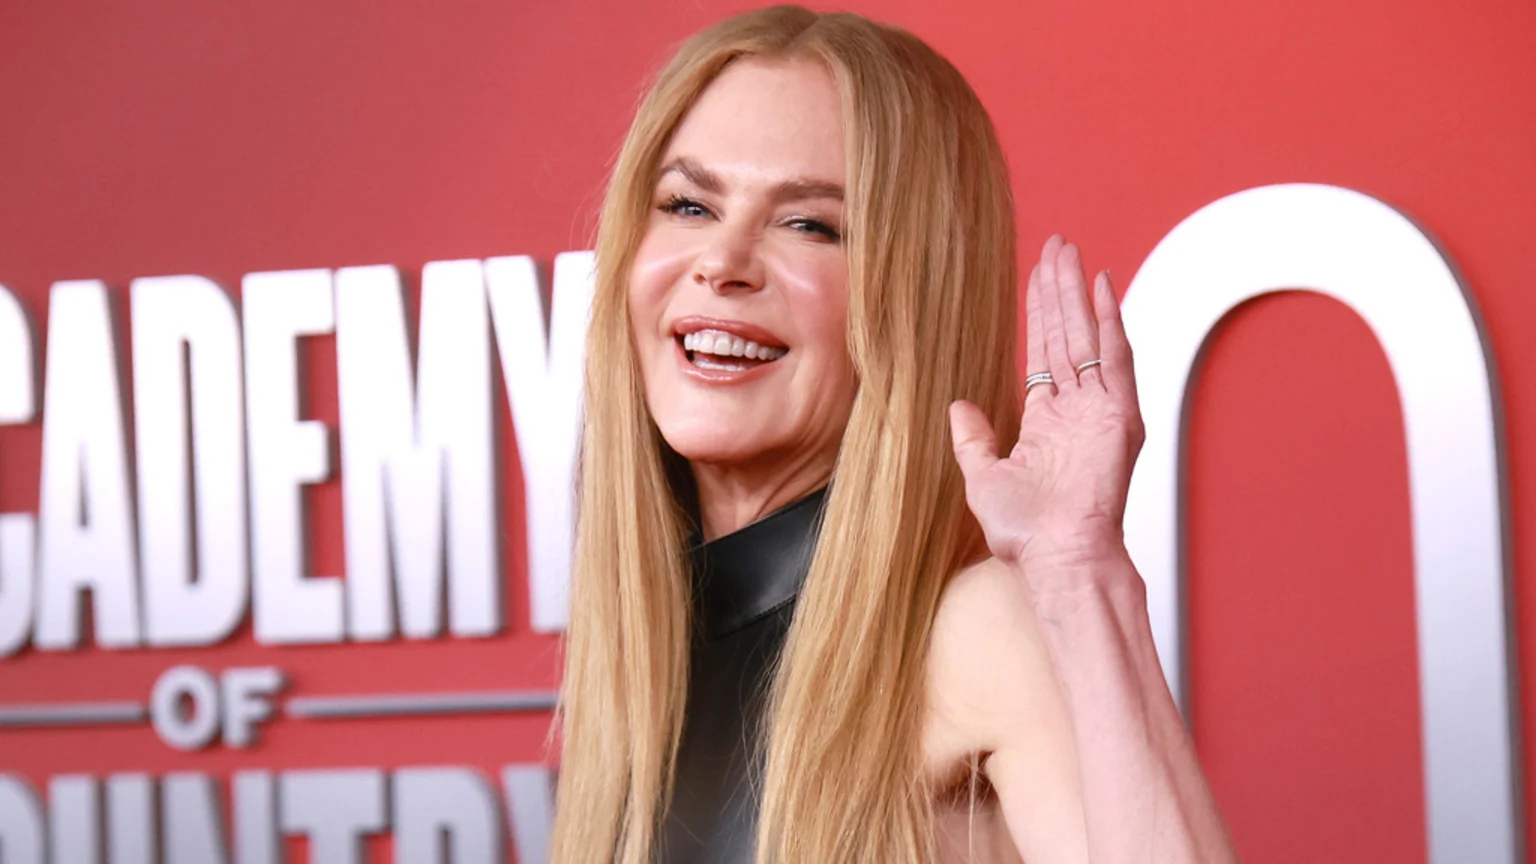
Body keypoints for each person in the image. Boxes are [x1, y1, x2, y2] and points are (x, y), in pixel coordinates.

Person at [549, 6, 1237, 862]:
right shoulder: (638, 658)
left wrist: (1079, 581)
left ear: (913, 297)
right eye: (687, 204)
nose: (723, 261)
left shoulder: (976, 630)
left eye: (809, 224)